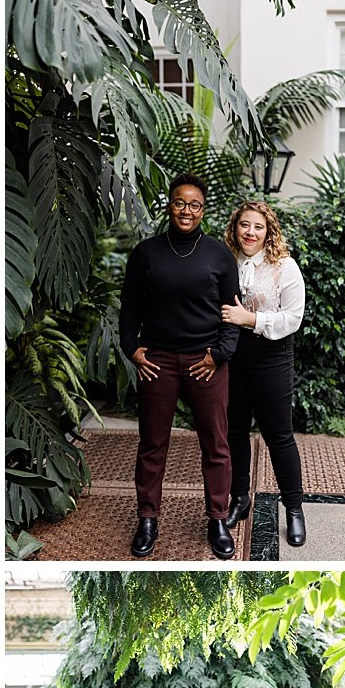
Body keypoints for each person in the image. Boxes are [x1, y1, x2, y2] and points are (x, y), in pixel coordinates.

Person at [119, 173, 240, 559]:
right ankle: (148, 518)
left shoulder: (220, 255)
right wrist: (131, 348)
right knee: (153, 443)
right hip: (157, 361)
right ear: (169, 205)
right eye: (180, 202)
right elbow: (129, 307)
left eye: (195, 205)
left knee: (216, 445)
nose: (187, 210)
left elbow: (233, 312)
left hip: (206, 361)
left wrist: (219, 354)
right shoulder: (146, 253)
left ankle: (218, 519)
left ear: (203, 211)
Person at [220, 199, 308, 547]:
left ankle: (295, 508)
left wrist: (252, 320)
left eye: (258, 226)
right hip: (232, 357)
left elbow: (293, 318)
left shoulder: (284, 267)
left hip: (271, 357)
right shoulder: (225, 262)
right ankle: (239, 499)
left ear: (268, 231)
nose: (250, 232)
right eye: (245, 225)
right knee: (235, 433)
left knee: (279, 436)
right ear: (235, 227)